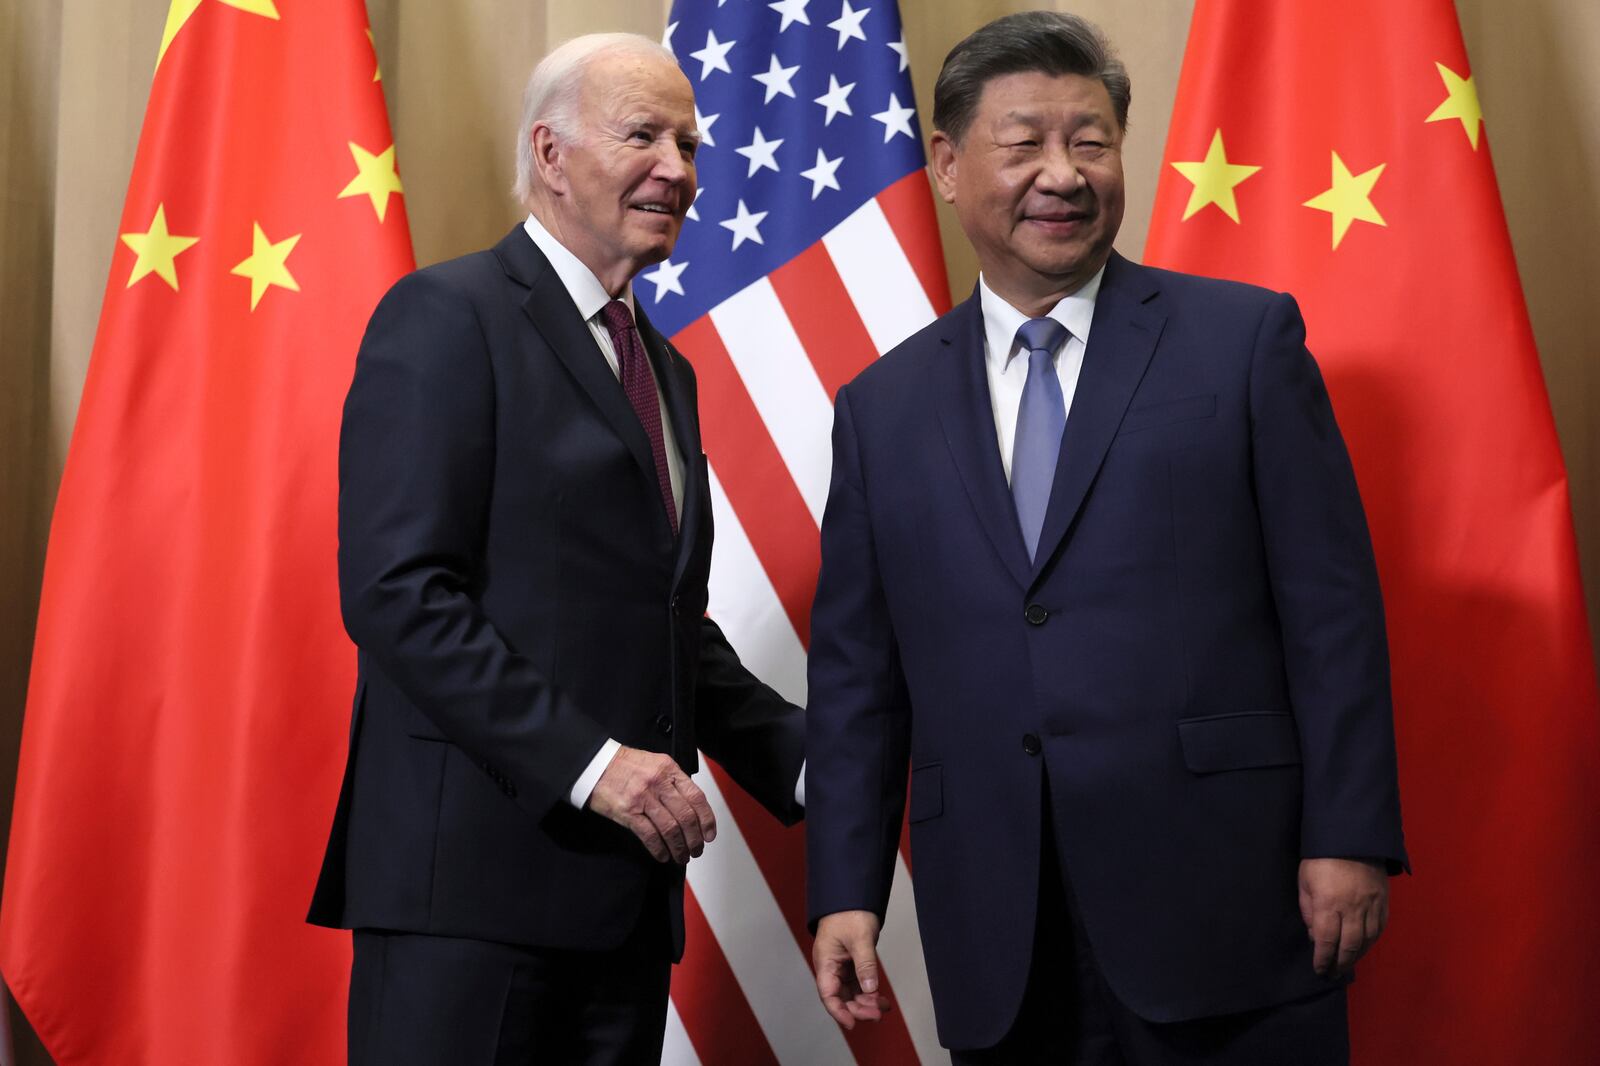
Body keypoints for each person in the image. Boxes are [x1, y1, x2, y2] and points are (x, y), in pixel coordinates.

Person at [805, 11, 1407, 1064]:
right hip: (999, 922)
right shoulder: (879, 406)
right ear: (945, 165)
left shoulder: (1242, 341)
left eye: (1090, 141)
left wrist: (1348, 833)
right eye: (1025, 142)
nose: (1064, 173)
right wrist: (845, 887)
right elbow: (859, 673)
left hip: (1230, 902)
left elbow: (1332, 611)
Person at [307, 33, 805, 1065]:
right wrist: (593, 766)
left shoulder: (665, 371)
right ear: (548, 152)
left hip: (618, 914)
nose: (679, 167)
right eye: (643, 134)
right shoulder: (445, 316)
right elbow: (399, 593)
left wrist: (821, 766)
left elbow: (662, 628)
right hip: (469, 905)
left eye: (689, 142)